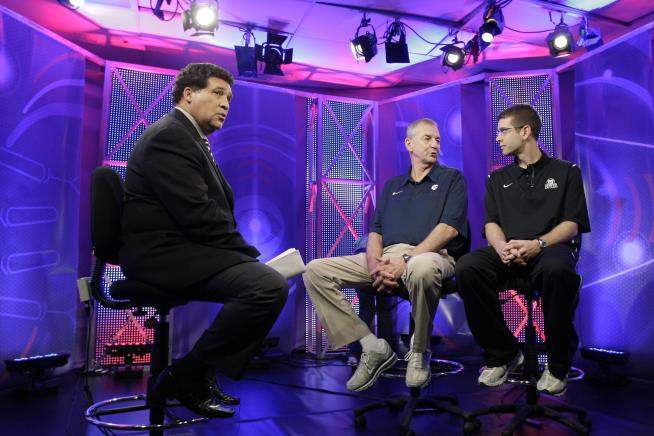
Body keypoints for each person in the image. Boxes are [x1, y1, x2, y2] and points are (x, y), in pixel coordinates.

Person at [120, 63, 289, 417]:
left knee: (266, 283)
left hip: (181, 250)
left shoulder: (190, 138)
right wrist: (245, 254)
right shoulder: (170, 136)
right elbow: (196, 214)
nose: (226, 103)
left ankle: (201, 372)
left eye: (229, 97)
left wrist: (242, 256)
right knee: (266, 286)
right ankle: (188, 375)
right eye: (216, 93)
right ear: (188, 94)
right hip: (161, 255)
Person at [303, 118, 468, 391]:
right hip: (385, 257)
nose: (435, 144)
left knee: (423, 266)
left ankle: (419, 352)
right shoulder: (393, 186)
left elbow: (449, 229)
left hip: (432, 255)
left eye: (438, 139)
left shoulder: (452, 179)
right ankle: (371, 346)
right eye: (428, 138)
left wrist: (405, 261)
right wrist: (375, 266)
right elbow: (376, 233)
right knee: (315, 270)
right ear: (409, 144)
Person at [455, 104, 590, 397]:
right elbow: (491, 224)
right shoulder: (497, 178)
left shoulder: (567, 172)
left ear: (525, 132)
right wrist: (502, 247)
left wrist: (537, 244)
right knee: (467, 267)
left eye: (504, 131)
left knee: (557, 270)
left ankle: (557, 365)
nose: (499, 138)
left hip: (549, 249)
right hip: (508, 252)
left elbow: (572, 225)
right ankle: (502, 354)